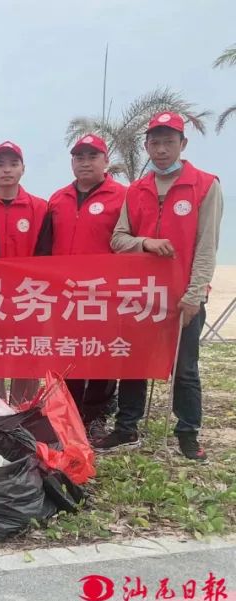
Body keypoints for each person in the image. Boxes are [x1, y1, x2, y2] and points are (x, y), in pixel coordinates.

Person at [98, 111, 224, 461]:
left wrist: (194, 295)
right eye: (156, 142)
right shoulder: (137, 190)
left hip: (183, 296)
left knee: (184, 368)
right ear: (147, 146)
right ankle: (126, 427)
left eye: (170, 142)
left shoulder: (204, 185)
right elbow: (118, 239)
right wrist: (145, 243)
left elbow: (206, 246)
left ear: (183, 144)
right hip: (140, 297)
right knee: (133, 363)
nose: (162, 149)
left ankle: (187, 432)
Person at [42, 134, 128, 440]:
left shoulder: (123, 197)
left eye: (93, 156)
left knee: (101, 356)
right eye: (79, 157)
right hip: (65, 295)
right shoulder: (57, 199)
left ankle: (95, 416)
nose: (86, 163)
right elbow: (45, 249)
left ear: (106, 161)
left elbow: (129, 243)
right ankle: (69, 412)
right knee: (69, 353)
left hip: (104, 294)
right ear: (72, 162)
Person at [0, 140, 49, 405]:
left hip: (29, 295)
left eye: (13, 164)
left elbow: (47, 253)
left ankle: (24, 411)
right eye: (0, 164)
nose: (7, 170)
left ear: (23, 169)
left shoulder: (40, 208)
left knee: (27, 355)